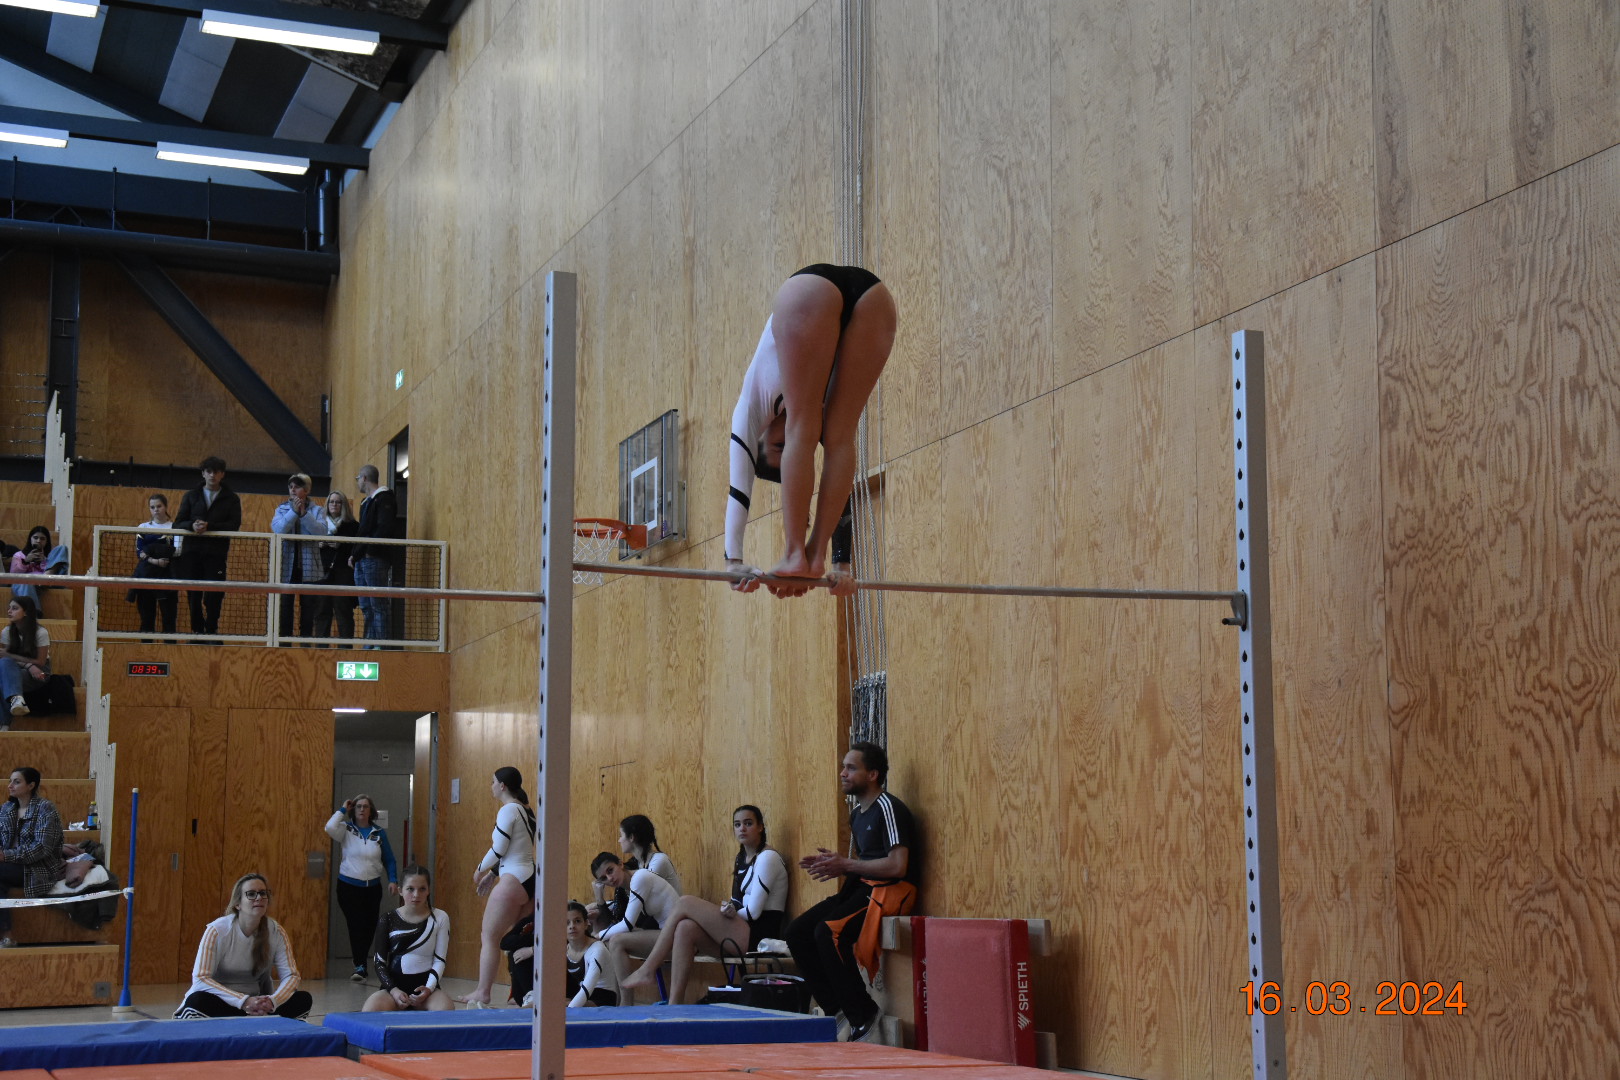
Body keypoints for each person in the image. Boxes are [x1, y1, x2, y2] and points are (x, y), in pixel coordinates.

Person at [725, 265, 897, 598]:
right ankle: (814, 555)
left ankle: (794, 553)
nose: (788, 445)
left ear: (760, 439)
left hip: (808, 294)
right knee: (839, 438)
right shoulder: (817, 421)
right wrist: (840, 565)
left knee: (803, 429)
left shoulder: (750, 409)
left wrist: (733, 561)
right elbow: (837, 484)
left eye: (778, 446)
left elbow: (738, 490)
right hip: (874, 300)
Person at [786, 742, 918, 1042]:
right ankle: (838, 1010)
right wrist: (839, 867)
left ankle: (864, 1013)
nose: (842, 773)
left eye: (851, 768)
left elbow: (898, 865)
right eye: (843, 767)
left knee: (828, 932)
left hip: (892, 889)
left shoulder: (888, 808)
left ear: (872, 774)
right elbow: (864, 864)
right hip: (863, 885)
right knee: (797, 933)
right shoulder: (857, 814)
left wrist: (846, 864)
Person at [621, 803, 789, 1004]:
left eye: (748, 823)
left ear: (760, 826)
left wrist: (726, 913)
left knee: (685, 902)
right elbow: (737, 900)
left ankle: (648, 968)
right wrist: (728, 908)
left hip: (759, 936)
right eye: (737, 825)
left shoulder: (768, 858)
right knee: (685, 928)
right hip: (741, 931)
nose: (742, 829)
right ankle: (675, 1004)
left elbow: (753, 912)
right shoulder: (742, 857)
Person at [174, 872, 312, 1019]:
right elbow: (201, 978)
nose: (258, 898)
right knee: (198, 1001)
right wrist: (244, 1001)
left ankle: (257, 1021)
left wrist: (272, 1001)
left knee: (302, 999)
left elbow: (291, 975)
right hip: (223, 1004)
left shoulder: (276, 931)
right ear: (237, 904)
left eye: (263, 893)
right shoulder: (218, 930)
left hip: (256, 1006)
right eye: (251, 894)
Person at [458, 766, 537, 1006]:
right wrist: (493, 874)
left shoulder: (508, 810)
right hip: (529, 879)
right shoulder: (526, 809)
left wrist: (480, 868)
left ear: (502, 785)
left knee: (489, 937)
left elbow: (500, 848)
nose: (491, 786)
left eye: (493, 782)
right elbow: (517, 848)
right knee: (517, 939)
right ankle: (521, 992)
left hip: (513, 879)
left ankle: (483, 992)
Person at [324, 793, 399, 981]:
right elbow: (329, 827)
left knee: (369, 926)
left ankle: (361, 962)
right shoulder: (345, 829)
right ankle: (360, 965)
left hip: (372, 888)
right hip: (348, 887)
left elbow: (389, 859)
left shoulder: (378, 833)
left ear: (371, 811)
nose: (362, 809)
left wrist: (393, 879)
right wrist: (343, 808)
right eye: (358, 806)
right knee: (356, 924)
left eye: (365, 806)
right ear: (353, 809)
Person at [587, 850, 679, 998]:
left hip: (678, 938)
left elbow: (627, 924)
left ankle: (625, 1000)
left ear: (620, 864)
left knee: (616, 941)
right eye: (603, 878)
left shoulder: (640, 878)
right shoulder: (626, 889)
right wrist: (599, 899)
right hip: (667, 934)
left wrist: (596, 937)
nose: (610, 878)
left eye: (610, 870)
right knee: (612, 941)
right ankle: (618, 998)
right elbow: (619, 922)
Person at [361, 864, 451, 1012]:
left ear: (428, 890)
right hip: (394, 989)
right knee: (370, 1011)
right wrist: (393, 990)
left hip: (427, 990)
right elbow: (379, 963)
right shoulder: (387, 919)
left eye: (422, 889)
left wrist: (428, 989)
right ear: (400, 890)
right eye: (410, 889)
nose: (416, 894)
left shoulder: (440, 917)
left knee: (446, 1010)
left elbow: (440, 960)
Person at [174, 456, 242, 638]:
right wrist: (192, 526)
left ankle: (212, 630)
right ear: (203, 473)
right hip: (192, 552)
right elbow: (178, 523)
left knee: (215, 593)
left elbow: (234, 525)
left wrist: (209, 526)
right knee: (193, 593)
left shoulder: (232, 498)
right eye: (209, 471)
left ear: (222, 474)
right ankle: (197, 631)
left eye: (216, 472)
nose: (212, 475)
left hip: (216, 553)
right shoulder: (191, 496)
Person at [0, 767, 66, 947]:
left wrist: (6, 855)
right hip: (9, 865)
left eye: (17, 782)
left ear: (31, 785)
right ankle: (7, 936)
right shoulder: (6, 808)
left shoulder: (45, 809)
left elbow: (41, 848)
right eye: (10, 781)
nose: (10, 785)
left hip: (38, 868)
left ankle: (6, 935)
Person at [271, 473, 324, 642]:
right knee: (285, 607)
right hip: (287, 566)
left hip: (309, 567)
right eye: (291, 487)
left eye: (298, 486)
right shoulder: (281, 509)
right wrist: (294, 512)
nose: (293, 489)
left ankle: (305, 643)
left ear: (306, 490)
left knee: (308, 608)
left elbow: (321, 532)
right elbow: (278, 529)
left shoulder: (317, 510)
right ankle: (284, 643)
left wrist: (304, 514)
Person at [350, 465, 399, 647]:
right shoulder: (366, 502)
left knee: (378, 604)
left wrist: (370, 550)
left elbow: (384, 528)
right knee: (366, 606)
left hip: (375, 558)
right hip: (362, 559)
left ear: (364, 478)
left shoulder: (384, 499)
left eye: (358, 479)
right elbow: (363, 531)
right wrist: (355, 555)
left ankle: (381, 645)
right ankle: (370, 643)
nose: (358, 483)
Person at [312, 491, 359, 645]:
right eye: (331, 502)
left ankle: (345, 648)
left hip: (343, 572)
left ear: (343, 505)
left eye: (338, 502)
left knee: (343, 610)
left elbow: (355, 549)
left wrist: (340, 545)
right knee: (321, 610)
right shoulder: (319, 524)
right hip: (322, 571)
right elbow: (310, 546)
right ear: (327, 504)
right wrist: (318, 545)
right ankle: (321, 648)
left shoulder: (352, 526)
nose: (334, 505)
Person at [132, 494, 179, 638]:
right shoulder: (143, 527)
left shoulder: (174, 527)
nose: (156, 510)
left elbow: (177, 551)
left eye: (159, 506)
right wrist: (155, 560)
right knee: (146, 618)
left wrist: (155, 552)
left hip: (167, 576)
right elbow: (139, 551)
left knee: (169, 618)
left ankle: (170, 647)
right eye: (152, 507)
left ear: (165, 507)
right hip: (146, 576)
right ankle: (146, 647)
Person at [1, 596, 50, 723]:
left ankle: (4, 723)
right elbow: (7, 660)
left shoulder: (40, 632)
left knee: (4, 675)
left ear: (26, 612)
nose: (9, 611)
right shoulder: (7, 631)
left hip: (40, 672)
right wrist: (28, 665)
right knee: (5, 665)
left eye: (15, 608)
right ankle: (17, 699)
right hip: (16, 668)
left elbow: (40, 662)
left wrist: (12, 657)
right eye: (9, 608)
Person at [8, 525, 62, 607]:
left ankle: (44, 580)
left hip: (43, 583)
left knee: (62, 548)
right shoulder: (19, 555)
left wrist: (44, 561)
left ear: (47, 541)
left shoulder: (51, 557)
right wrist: (26, 561)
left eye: (42, 539)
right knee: (27, 581)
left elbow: (55, 572)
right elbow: (13, 575)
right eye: (35, 538)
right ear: (30, 539)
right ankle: (34, 611)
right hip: (25, 584)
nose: (38, 541)